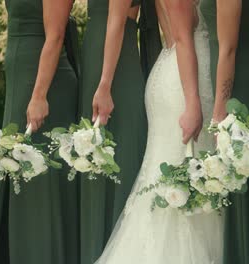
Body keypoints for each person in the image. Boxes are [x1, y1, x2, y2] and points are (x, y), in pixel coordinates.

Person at [93, 0, 224, 263]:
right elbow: (184, 37)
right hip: (186, 80)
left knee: (186, 177)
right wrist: (192, 103)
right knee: (188, 177)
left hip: (177, 72)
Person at [0, 0, 79, 263]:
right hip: (22, 76)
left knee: (37, 176)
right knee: (17, 170)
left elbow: (55, 36)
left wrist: (39, 96)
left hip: (44, 83)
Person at [78, 1, 161, 262]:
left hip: (111, 60)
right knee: (96, 160)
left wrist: (104, 85)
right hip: (102, 51)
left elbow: (116, 22)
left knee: (119, 155)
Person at [200, 0, 249, 263]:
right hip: (238, 75)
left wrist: (219, 113)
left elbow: (228, 48)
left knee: (245, 175)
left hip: (238, 81)